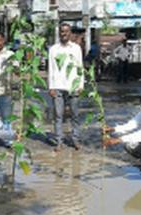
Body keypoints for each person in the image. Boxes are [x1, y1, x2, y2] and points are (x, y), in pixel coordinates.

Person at [48, 22, 84, 151]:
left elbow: (80, 67)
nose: (64, 34)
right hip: (57, 86)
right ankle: (59, 141)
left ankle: (76, 140)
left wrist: (80, 84)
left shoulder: (76, 48)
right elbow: (51, 68)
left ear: (70, 33)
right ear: (59, 33)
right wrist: (51, 86)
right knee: (58, 115)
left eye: (66, 31)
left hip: (73, 86)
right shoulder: (53, 49)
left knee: (75, 114)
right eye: (62, 32)